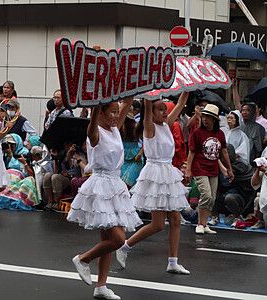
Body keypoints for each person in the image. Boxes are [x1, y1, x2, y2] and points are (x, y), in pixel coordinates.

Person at [67, 97, 142, 300]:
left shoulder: (115, 129)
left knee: (108, 240)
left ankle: (101, 286)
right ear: (100, 112)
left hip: (115, 185)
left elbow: (127, 102)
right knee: (118, 239)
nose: (117, 116)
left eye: (118, 112)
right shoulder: (95, 132)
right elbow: (92, 127)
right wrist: (96, 106)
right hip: (100, 185)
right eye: (112, 112)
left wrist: (131, 90)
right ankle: (83, 259)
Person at [116, 92, 191, 275]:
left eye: (165, 109)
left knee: (175, 220)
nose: (165, 112)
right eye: (160, 109)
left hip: (168, 172)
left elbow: (181, 104)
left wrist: (188, 88)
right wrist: (150, 92)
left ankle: (173, 261)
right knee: (158, 224)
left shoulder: (166, 125)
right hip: (155, 173)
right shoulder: (149, 127)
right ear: (151, 111)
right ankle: (125, 246)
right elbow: (148, 105)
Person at [186, 104, 234, 235]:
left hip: (213, 169)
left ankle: (205, 223)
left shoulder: (220, 134)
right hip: (199, 168)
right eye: (204, 117)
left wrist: (229, 169)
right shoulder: (197, 133)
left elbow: (224, 152)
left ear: (214, 120)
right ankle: (200, 224)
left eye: (208, 117)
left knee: (212, 198)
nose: (205, 120)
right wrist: (188, 170)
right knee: (206, 195)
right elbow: (192, 152)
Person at [120, 113, 143, 188]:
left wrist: (140, 153)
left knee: (130, 182)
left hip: (135, 157)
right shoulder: (118, 126)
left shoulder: (136, 126)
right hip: (123, 157)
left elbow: (147, 141)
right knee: (121, 182)